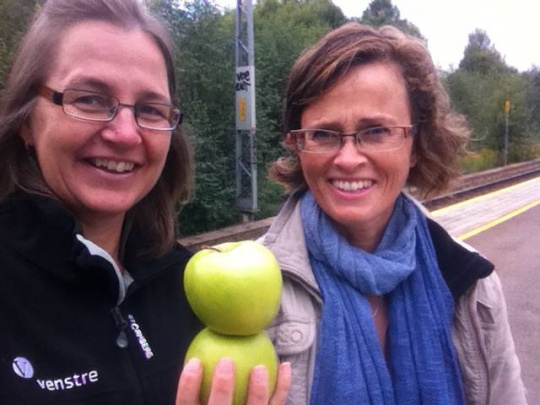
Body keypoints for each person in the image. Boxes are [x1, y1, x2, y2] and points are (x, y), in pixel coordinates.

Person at [0, 0, 290, 404]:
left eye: (151, 109)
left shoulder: (187, 287)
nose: (124, 133)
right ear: (28, 120)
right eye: (89, 99)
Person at [260, 22, 528, 404]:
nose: (348, 158)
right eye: (323, 134)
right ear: (298, 146)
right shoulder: (256, 289)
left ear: (415, 144)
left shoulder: (472, 283)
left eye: (376, 131)